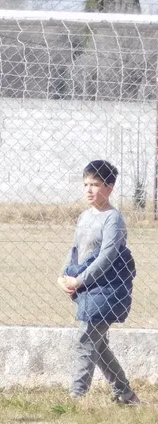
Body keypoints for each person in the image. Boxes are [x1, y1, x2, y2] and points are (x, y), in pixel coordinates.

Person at [58, 160, 138, 404]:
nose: (89, 190)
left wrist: (79, 280)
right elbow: (74, 249)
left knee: (86, 339)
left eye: (95, 184)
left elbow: (107, 257)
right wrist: (63, 276)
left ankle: (76, 397)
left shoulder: (113, 219)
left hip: (106, 290)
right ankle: (125, 394)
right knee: (98, 345)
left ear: (110, 187)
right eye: (85, 184)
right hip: (85, 288)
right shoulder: (84, 216)